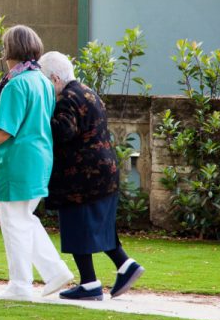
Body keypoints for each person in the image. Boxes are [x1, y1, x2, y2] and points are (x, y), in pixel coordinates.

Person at [0, 25, 74, 300]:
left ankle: (21, 285)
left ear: (9, 50)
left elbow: (6, 131)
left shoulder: (16, 85)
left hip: (18, 161)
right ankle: (55, 271)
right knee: (24, 219)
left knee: (14, 223)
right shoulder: (41, 81)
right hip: (39, 159)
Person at [39, 51, 145, 300]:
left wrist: (38, 118)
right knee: (98, 226)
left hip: (81, 177)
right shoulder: (87, 92)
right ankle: (120, 268)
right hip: (103, 171)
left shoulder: (66, 98)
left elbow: (64, 130)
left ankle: (91, 283)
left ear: (54, 78)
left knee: (77, 227)